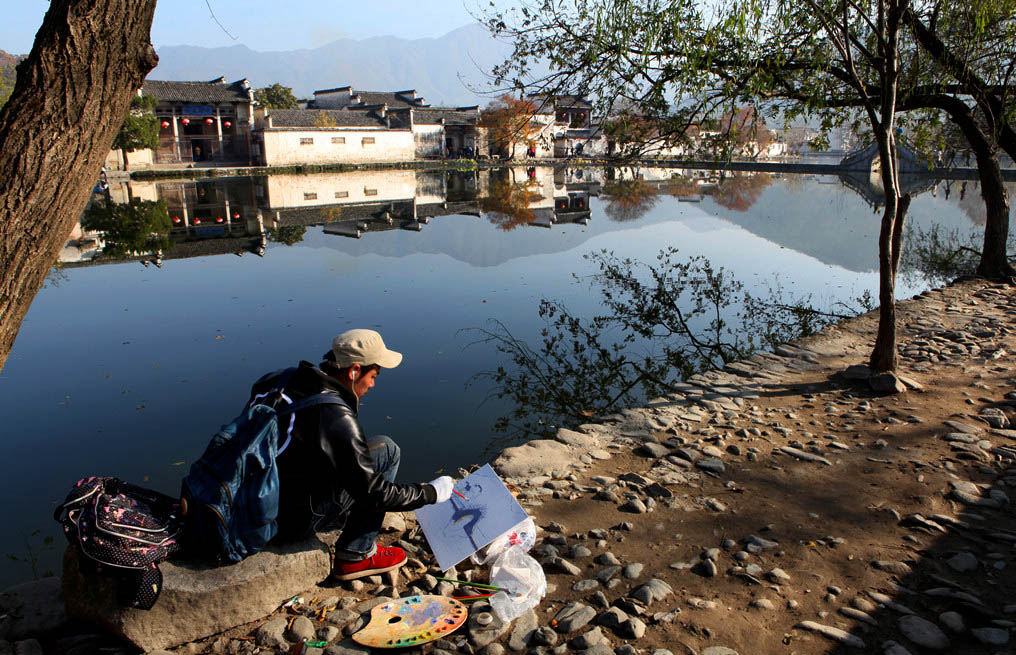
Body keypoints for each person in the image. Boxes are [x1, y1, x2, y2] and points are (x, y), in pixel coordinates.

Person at [247, 329, 454, 582]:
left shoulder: (277, 380)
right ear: (354, 371)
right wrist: (430, 493)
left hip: (252, 498)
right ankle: (356, 554)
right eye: (373, 375)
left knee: (361, 457)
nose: (373, 384)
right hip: (285, 522)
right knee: (386, 450)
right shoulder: (335, 416)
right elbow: (375, 492)